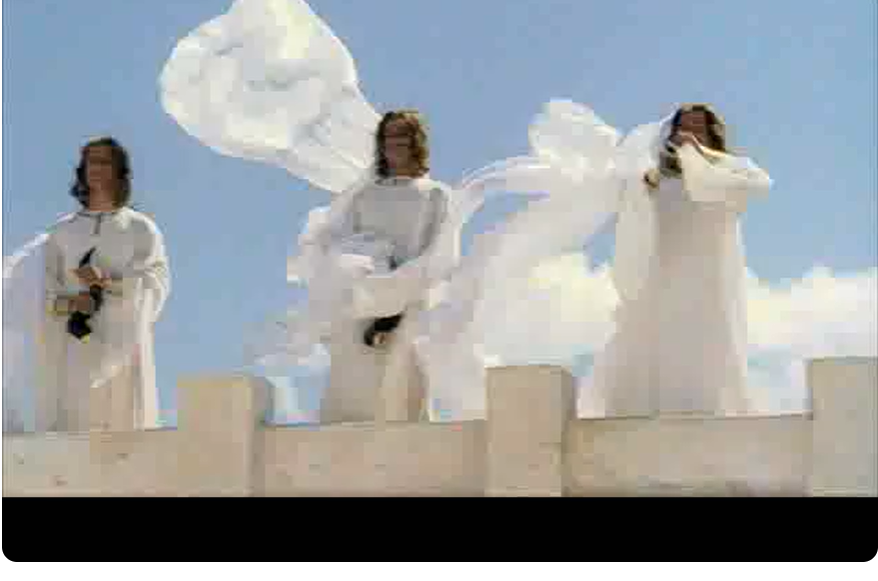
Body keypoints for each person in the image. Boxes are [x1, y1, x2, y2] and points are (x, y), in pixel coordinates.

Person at [588, 103, 772, 416]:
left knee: (707, 336)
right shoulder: (656, 180)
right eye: (683, 127)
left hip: (710, 271)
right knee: (660, 336)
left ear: (712, 134)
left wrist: (703, 157)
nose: (690, 134)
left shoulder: (728, 174)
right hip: (664, 270)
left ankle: (713, 410)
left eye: (698, 127)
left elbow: (761, 183)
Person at [3, 136, 171, 433]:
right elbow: (41, 290)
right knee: (72, 419)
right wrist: (71, 303)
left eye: (104, 161)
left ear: (119, 171)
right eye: (90, 162)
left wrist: (108, 282)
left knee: (120, 426)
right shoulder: (61, 232)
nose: (96, 168)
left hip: (122, 343)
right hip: (74, 346)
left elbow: (154, 281)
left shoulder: (140, 229)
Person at [315, 110, 451, 423]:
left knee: (405, 386)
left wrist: (396, 299)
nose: (395, 142)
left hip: (411, 304)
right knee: (355, 389)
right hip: (363, 305)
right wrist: (368, 287)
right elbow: (345, 245)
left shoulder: (435, 195)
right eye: (388, 136)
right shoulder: (363, 197)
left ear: (416, 141)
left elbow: (439, 254)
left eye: (403, 134)